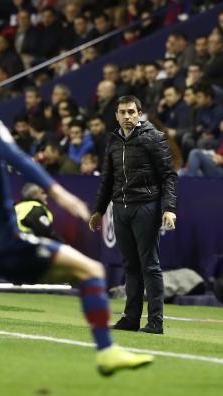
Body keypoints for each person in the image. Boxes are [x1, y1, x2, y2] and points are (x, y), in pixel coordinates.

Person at [0, 79, 153, 381]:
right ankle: (106, 352)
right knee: (91, 271)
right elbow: (19, 159)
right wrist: (58, 192)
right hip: (3, 242)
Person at [89, 95, 178, 335]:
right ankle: (130, 318)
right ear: (116, 115)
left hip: (146, 207)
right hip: (120, 208)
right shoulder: (114, 141)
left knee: (150, 265)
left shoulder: (154, 138)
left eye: (131, 112)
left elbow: (169, 176)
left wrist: (168, 208)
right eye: (122, 112)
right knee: (130, 265)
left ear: (139, 113)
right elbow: (108, 178)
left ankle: (156, 321)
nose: (127, 116)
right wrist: (99, 210)